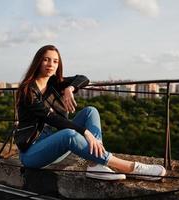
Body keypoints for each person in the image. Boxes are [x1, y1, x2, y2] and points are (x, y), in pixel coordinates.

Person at [15, 44, 166, 181]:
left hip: (55, 144)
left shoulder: (55, 83)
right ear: (38, 62)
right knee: (69, 134)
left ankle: (95, 164)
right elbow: (51, 118)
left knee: (90, 111)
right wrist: (84, 132)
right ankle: (132, 168)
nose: (51, 65)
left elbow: (83, 78)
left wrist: (70, 88)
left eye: (55, 61)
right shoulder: (28, 90)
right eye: (46, 60)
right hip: (32, 153)